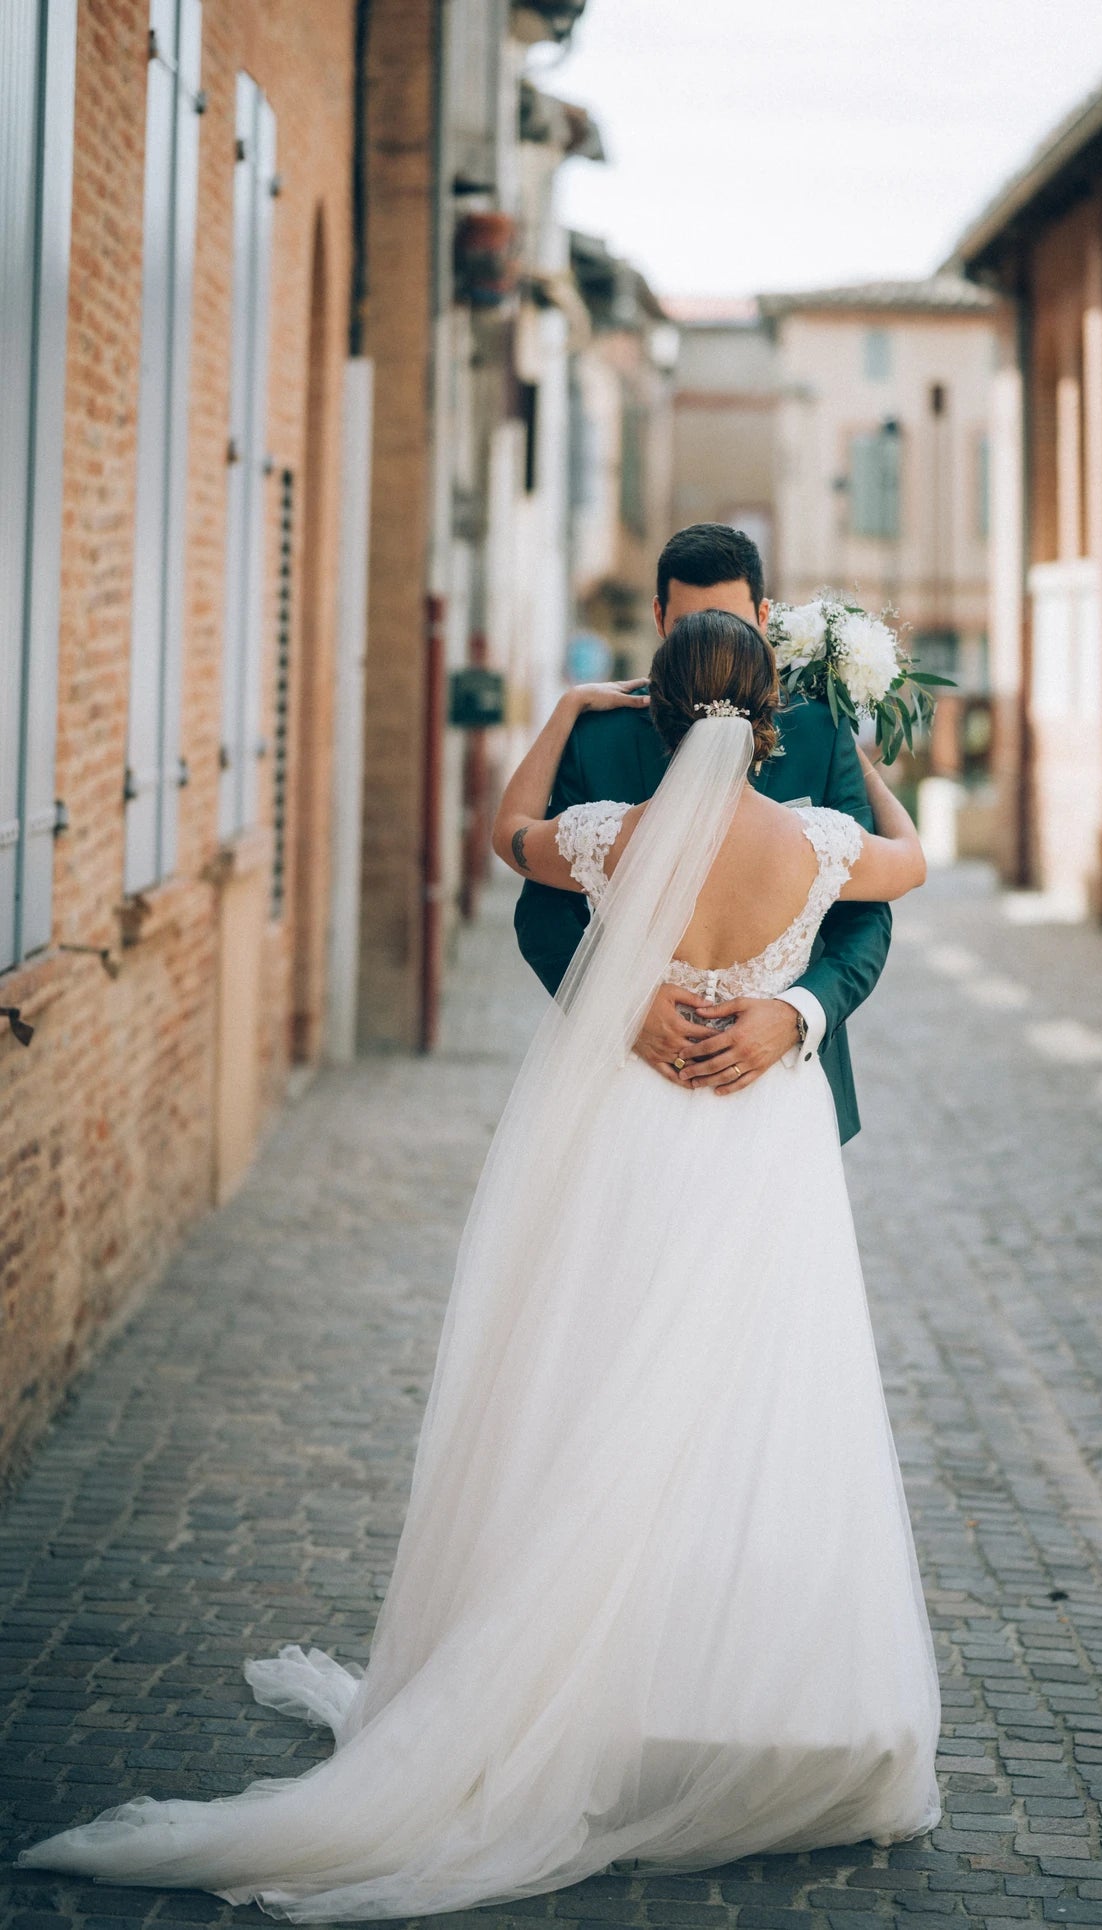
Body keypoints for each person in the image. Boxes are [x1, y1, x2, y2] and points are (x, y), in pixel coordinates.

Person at [15, 611, 941, 1921]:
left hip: (638, 1133)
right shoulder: (817, 847)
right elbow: (913, 861)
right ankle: (732, 1692)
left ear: (662, 716)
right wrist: (857, 740)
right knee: (753, 1408)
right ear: (769, 720)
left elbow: (505, 838)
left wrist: (566, 714)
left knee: (597, 1381)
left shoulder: (611, 834)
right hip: (762, 1150)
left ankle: (577, 1675)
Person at [515, 522, 890, 1140]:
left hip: (786, 1087)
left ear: (764, 616)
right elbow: (545, 917)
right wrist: (619, 1012)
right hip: (629, 1083)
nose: (710, 645)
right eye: (689, 627)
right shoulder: (597, 740)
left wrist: (799, 1015)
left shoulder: (822, 734)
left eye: (730, 626)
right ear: (660, 619)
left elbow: (867, 916)